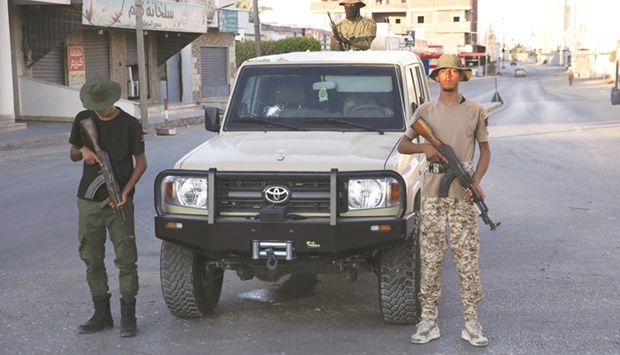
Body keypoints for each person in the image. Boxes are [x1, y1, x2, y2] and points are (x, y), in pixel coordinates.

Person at [397, 54, 491, 347]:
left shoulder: (475, 111)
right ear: (436, 77)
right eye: (443, 72)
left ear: (461, 76)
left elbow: (485, 152)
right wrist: (424, 147)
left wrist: (476, 183)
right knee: (431, 260)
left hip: (462, 196)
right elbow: (402, 144)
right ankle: (428, 321)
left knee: (467, 261)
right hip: (432, 197)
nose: (448, 76)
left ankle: (471, 323)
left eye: (454, 72)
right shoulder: (426, 111)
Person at [69, 74, 147, 337]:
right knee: (91, 258)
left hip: (119, 202)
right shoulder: (83, 119)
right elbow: (72, 152)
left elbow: (142, 163)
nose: (97, 109)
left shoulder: (129, 124)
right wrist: (84, 152)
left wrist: (125, 191)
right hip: (88, 202)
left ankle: (128, 317)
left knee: (126, 260)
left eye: (101, 104)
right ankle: (102, 315)